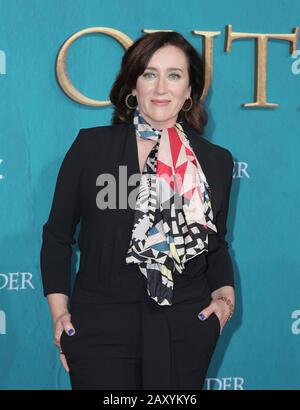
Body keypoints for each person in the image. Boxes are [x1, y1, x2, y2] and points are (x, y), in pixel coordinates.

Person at [40, 31, 235, 390]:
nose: (161, 87)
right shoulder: (91, 148)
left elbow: (216, 244)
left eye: (174, 75)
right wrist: (59, 315)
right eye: (149, 73)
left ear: (190, 91)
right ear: (133, 86)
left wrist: (225, 302)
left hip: (184, 328)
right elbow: (56, 237)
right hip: (101, 326)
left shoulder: (216, 162)